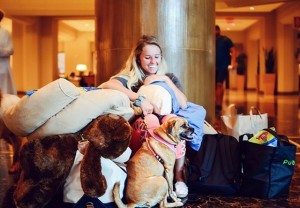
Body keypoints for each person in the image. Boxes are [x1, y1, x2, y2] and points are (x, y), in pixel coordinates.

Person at [100, 35, 206, 198]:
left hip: (167, 125)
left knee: (172, 120)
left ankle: (178, 177)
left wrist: (165, 80)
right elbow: (109, 84)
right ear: (138, 59)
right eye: (147, 57)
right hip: (142, 126)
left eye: (156, 57)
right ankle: (154, 173)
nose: (153, 62)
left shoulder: (168, 77)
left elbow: (183, 104)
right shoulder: (132, 78)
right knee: (151, 120)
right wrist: (139, 99)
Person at [215, 25, 236, 114]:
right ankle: (216, 102)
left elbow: (233, 50)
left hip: (223, 66)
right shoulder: (210, 40)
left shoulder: (225, 40)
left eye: (216, 30)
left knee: (219, 84)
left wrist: (233, 63)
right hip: (212, 67)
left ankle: (219, 104)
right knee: (214, 86)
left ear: (219, 31)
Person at [0, 9, 16, 95]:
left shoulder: (5, 33)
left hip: (2, 68)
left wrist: (1, 50)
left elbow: (10, 50)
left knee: (3, 92)